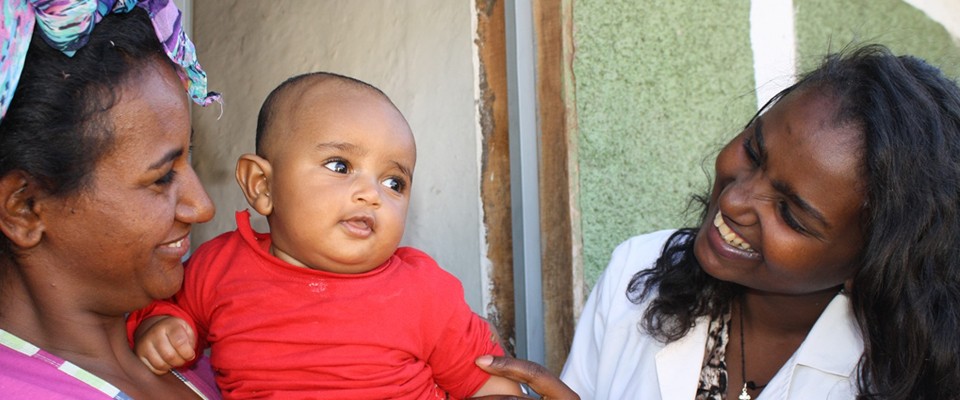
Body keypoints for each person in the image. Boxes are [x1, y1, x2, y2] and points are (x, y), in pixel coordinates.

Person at [559, 44, 960, 399]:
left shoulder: (904, 382)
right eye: (754, 151)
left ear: (874, 260)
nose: (733, 201)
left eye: (789, 213)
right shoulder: (636, 273)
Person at [127, 71, 525, 399]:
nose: (371, 194)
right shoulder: (219, 268)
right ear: (263, 186)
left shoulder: (424, 291)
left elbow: (493, 383)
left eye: (394, 182)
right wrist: (162, 328)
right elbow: (164, 309)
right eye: (339, 166)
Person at [0, 0, 222, 399]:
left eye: (190, 159)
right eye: (162, 177)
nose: (202, 207)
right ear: (25, 208)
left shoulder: (197, 346)